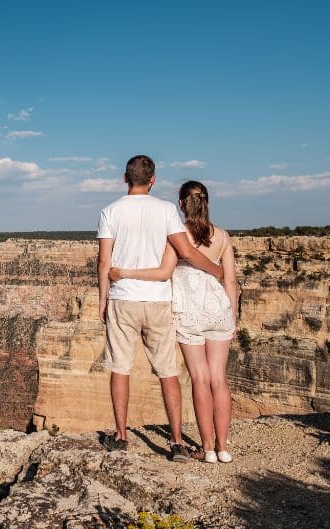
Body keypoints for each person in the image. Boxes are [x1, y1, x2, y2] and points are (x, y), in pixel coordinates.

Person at [96, 156, 224, 462]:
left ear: (124, 177)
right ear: (152, 180)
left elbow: (104, 261)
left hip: (123, 298)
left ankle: (121, 435)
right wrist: (216, 271)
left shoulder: (110, 211)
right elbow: (187, 252)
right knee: (168, 372)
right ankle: (177, 442)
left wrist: (103, 298)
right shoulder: (166, 209)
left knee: (120, 368)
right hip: (158, 300)